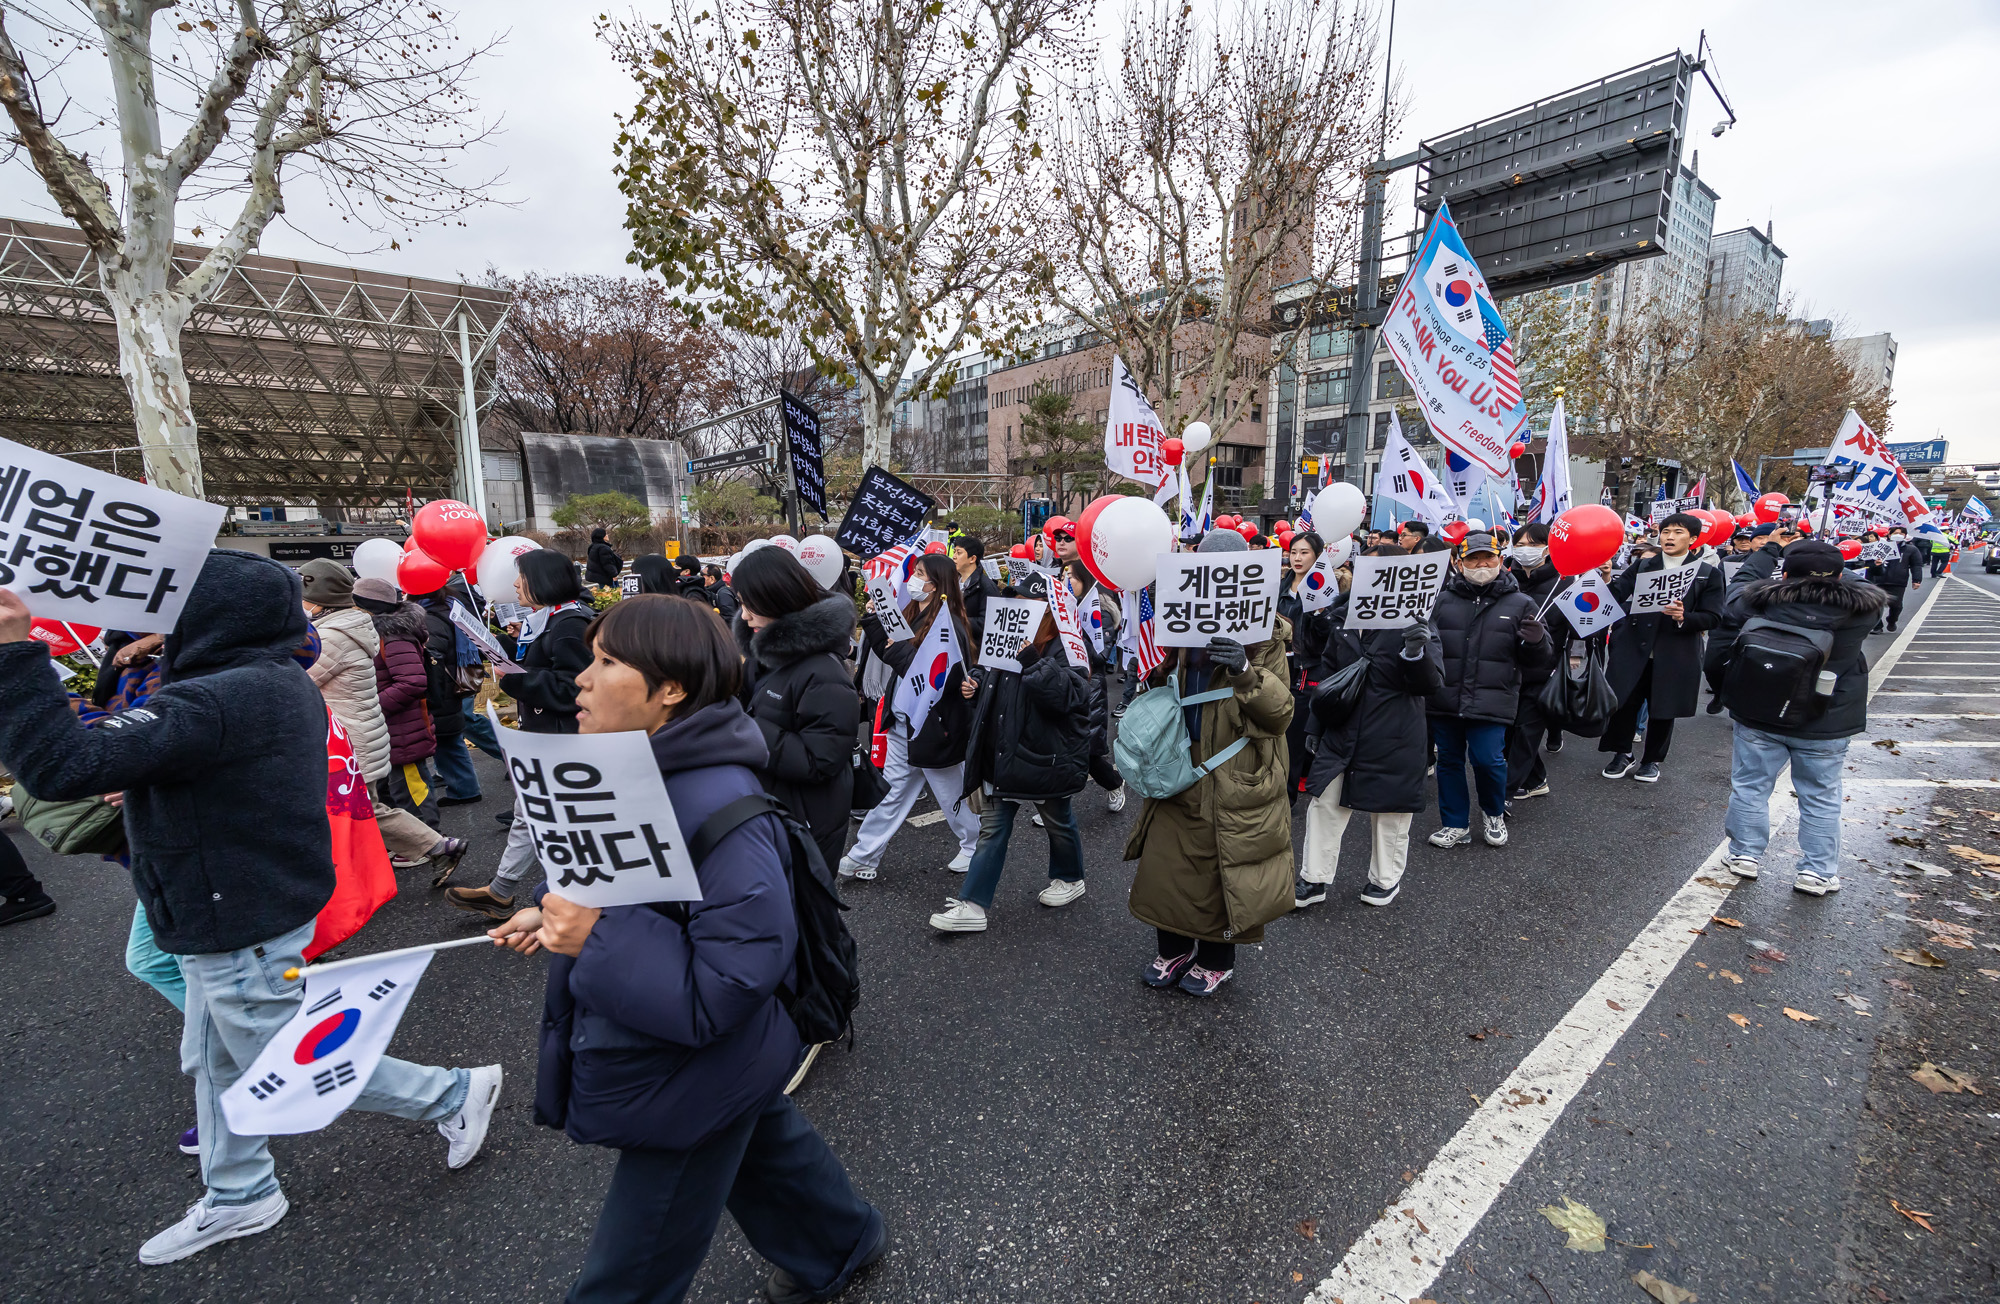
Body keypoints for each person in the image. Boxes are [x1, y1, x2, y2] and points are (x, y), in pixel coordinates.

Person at [0, 553, 500, 1265]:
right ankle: (239, 1192)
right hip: (233, 901)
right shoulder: (263, 680)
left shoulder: (217, 695)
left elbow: (61, 767)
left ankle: (449, 1095)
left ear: (207, 616)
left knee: (284, 1059)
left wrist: (15, 655)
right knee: (216, 1061)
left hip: (236, 908)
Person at [484, 596, 885, 1304]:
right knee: (761, 1140)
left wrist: (594, 936)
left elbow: (728, 982)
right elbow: (619, 881)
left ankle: (839, 1243)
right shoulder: (635, 771)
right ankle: (840, 1242)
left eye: (608, 663)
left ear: (670, 690)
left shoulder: (718, 805)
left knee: (630, 1271)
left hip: (683, 1071)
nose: (582, 677)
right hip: (691, 1053)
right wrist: (551, 908)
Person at [1125, 529, 1295, 997]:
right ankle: (1174, 947)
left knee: (1227, 867)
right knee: (1168, 865)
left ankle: (1218, 958)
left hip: (1235, 771)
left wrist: (1243, 669)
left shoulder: (1266, 638)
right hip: (1179, 762)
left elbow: (1280, 713)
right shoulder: (1180, 628)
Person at [1708, 540, 1886, 895]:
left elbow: (1738, 587)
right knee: (1820, 794)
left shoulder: (1761, 600)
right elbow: (1863, 586)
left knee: (1750, 786)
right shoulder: (1861, 609)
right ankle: (1817, 872)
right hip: (1827, 716)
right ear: (1839, 576)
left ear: (1785, 573)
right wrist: (1832, 571)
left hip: (1762, 708)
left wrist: (1769, 550)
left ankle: (1744, 854)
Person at [298, 560, 466, 880]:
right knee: (368, 807)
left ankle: (430, 848)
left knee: (366, 808)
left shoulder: (333, 635)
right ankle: (436, 847)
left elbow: (298, 678)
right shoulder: (351, 625)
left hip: (349, 739)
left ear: (318, 599)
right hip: (361, 732)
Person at [447, 549, 592, 920]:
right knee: (532, 812)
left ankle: (570, 901)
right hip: (548, 737)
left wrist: (518, 680)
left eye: (522, 577)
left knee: (551, 817)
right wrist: (502, 648)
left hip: (561, 739)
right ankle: (503, 891)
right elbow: (541, 666)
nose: (514, 584)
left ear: (543, 581)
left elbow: (576, 688)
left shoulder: (569, 624)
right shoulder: (551, 618)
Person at [928, 602, 1091, 932]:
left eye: (1029, 603)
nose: (1020, 608)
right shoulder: (1007, 632)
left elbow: (1072, 695)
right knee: (993, 829)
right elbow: (989, 674)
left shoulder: (1066, 641)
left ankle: (1070, 877)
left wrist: (1032, 660)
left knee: (1058, 821)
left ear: (1049, 609)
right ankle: (972, 905)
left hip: (1044, 755)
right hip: (1002, 754)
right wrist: (974, 683)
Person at [1294, 549, 1443, 908]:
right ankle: (1313, 879)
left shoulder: (1416, 621)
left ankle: (1385, 879)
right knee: (1325, 803)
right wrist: (1316, 725)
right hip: (1342, 729)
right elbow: (1328, 675)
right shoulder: (1342, 619)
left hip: (1395, 731)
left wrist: (1414, 652)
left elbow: (1432, 683)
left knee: (1390, 813)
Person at [842, 554, 980, 880]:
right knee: (889, 794)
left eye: (920, 575)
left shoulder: (951, 627)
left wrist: (895, 648)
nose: (912, 580)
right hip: (903, 723)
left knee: (950, 798)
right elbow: (889, 651)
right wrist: (875, 619)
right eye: (914, 572)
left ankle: (975, 847)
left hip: (934, 728)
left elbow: (929, 677)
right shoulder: (915, 613)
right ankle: (864, 856)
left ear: (939, 585)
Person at [732, 547, 862, 873]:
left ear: (777, 597)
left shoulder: (823, 672)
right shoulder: (768, 656)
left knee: (803, 916)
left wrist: (745, 725)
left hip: (805, 823)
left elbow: (821, 760)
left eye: (751, 604)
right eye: (740, 603)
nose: (744, 616)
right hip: (776, 812)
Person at [1425, 532, 1553, 848]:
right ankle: (1455, 823)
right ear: (1459, 562)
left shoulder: (1523, 603)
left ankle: (1493, 813)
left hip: (1493, 697)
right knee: (1450, 762)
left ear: (1500, 560)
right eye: (1473, 558)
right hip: (1446, 697)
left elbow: (1541, 658)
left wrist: (1536, 641)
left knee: (1488, 760)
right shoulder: (1440, 601)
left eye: (1488, 557)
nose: (1482, 563)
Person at [1599, 513, 1726, 782]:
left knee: (1663, 708)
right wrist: (1607, 578)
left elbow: (1714, 617)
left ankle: (1652, 759)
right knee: (1623, 702)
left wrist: (1685, 617)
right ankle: (1622, 753)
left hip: (1675, 653)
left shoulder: (1706, 574)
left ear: (1692, 539)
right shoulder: (1643, 566)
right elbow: (1617, 595)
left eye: (1678, 532)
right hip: (1633, 648)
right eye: (1666, 531)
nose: (1669, 536)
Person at [353, 578, 440, 831]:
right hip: (392, 726)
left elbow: (412, 682)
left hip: (404, 727)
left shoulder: (393, 634)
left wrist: (375, 706)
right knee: (392, 788)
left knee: (411, 787)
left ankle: (429, 840)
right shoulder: (380, 632)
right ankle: (411, 841)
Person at [1502, 523, 1562, 801]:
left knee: (1525, 735)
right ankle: (1536, 780)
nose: (1525, 550)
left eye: (1533, 545)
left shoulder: (1566, 581)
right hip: (1506, 670)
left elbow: (1589, 625)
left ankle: (1502, 795)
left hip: (1544, 671)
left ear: (1548, 548)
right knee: (1507, 735)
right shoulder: (1504, 579)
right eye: (1520, 544)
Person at [413, 576, 486, 805]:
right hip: (453, 682)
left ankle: (464, 790)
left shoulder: (430, 618)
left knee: (448, 740)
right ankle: (464, 788)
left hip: (442, 687)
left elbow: (432, 657)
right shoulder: (452, 606)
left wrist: (430, 691)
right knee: (451, 738)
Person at [1064, 562, 1126, 810]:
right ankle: (1056, 805)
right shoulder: (1071, 606)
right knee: (1064, 746)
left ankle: (1114, 784)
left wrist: (1075, 632)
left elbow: (1101, 658)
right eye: (1065, 576)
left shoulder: (1100, 610)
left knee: (1087, 752)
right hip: (1069, 683)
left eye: (1071, 577)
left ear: (1085, 580)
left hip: (1091, 688)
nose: (1068, 582)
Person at [1277, 531, 1331, 797]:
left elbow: (1328, 634)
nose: (1297, 558)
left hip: (1305, 671)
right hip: (1275, 668)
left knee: (1293, 737)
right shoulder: (1278, 587)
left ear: (1317, 556)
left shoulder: (1325, 591)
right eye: (1293, 552)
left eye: (1304, 552)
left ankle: (1286, 796)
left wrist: (1320, 612)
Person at [1863, 530, 1911, 632]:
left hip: (1897, 581)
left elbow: (1916, 565)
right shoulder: (1862, 550)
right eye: (1867, 537)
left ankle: (1892, 620)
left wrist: (1917, 579)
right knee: (1875, 605)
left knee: (1896, 605)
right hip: (1874, 582)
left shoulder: (1909, 549)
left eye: (1872, 536)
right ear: (1889, 535)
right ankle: (1877, 626)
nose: (1870, 539)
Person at [952, 535, 993, 647]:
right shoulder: (952, 580)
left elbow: (988, 623)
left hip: (973, 648)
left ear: (972, 559)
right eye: (954, 552)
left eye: (959, 553)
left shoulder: (986, 586)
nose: (954, 556)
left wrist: (956, 620)